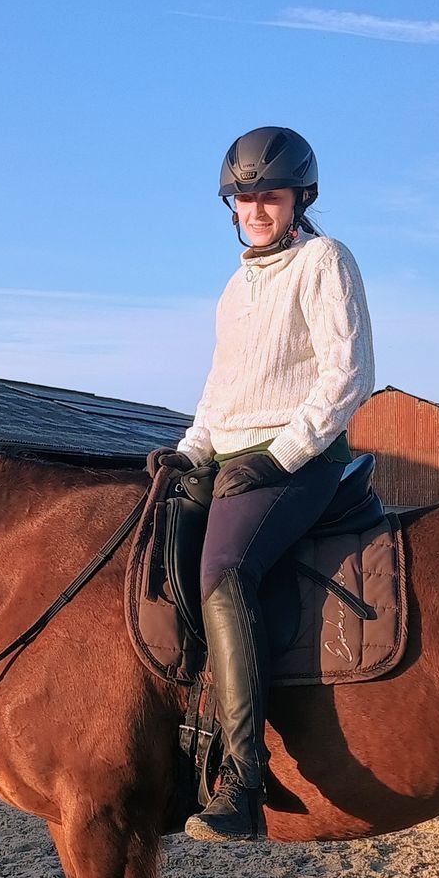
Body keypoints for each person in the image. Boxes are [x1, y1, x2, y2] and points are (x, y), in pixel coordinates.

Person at [148, 126, 376, 841]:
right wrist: (190, 452)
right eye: (242, 198)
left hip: (302, 461)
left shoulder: (324, 260)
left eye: (268, 197)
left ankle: (243, 781)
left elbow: (347, 374)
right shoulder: (235, 287)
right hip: (231, 458)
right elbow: (223, 391)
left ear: (299, 198)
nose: (255, 209)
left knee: (224, 574)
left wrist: (282, 455)